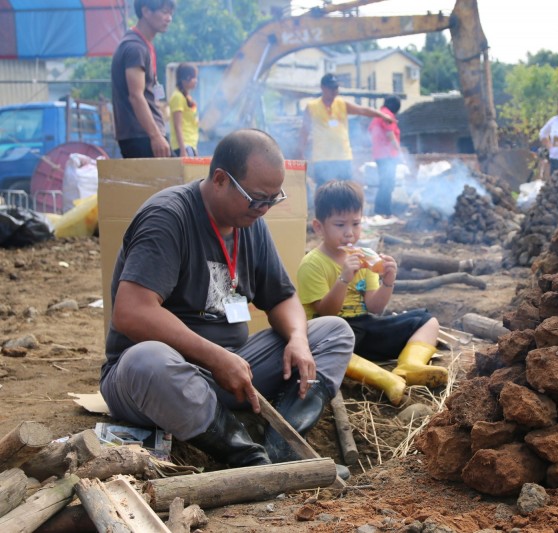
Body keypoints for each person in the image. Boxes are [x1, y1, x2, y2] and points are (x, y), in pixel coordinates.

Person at [99, 129, 354, 474]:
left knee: (334, 332)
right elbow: (131, 312)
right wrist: (215, 356)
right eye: (256, 199)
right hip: (160, 380)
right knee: (148, 360)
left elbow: (283, 297)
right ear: (220, 179)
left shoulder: (250, 223)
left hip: (230, 371)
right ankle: (249, 459)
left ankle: (283, 452)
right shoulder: (168, 217)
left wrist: (298, 339)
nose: (263, 210)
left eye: (272, 200)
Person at [296, 181, 446, 405]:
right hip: (330, 331)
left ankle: (409, 366)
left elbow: (375, 308)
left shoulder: (366, 257)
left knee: (427, 321)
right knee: (329, 347)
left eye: (355, 224)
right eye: (340, 225)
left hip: (364, 328)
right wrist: (344, 277)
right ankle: (385, 380)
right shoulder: (313, 264)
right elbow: (327, 311)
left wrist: (388, 281)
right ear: (319, 227)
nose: (349, 233)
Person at [299, 74, 395, 185]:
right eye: (331, 88)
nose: (335, 91)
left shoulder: (342, 103)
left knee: (345, 191)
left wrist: (383, 115)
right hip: (322, 159)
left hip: (343, 157)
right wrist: (300, 152)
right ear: (323, 88)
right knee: (324, 191)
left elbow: (363, 110)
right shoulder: (312, 106)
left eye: (336, 88)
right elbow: (304, 131)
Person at [111, 0, 174, 159]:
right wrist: (155, 136)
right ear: (146, 11)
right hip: (141, 136)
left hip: (145, 134)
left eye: (170, 13)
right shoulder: (135, 47)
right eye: (164, 12)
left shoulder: (143, 45)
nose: (169, 18)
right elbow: (136, 96)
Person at [368, 96, 402, 216]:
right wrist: (400, 152)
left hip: (379, 154)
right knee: (388, 183)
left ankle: (380, 209)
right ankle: (384, 211)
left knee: (385, 182)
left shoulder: (378, 115)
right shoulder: (387, 115)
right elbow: (390, 134)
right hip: (387, 155)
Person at [169, 63, 199, 157]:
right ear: (187, 78)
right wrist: (183, 150)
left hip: (191, 144)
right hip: (184, 145)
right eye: (194, 77)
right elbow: (177, 126)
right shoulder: (177, 97)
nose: (196, 81)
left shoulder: (186, 97)